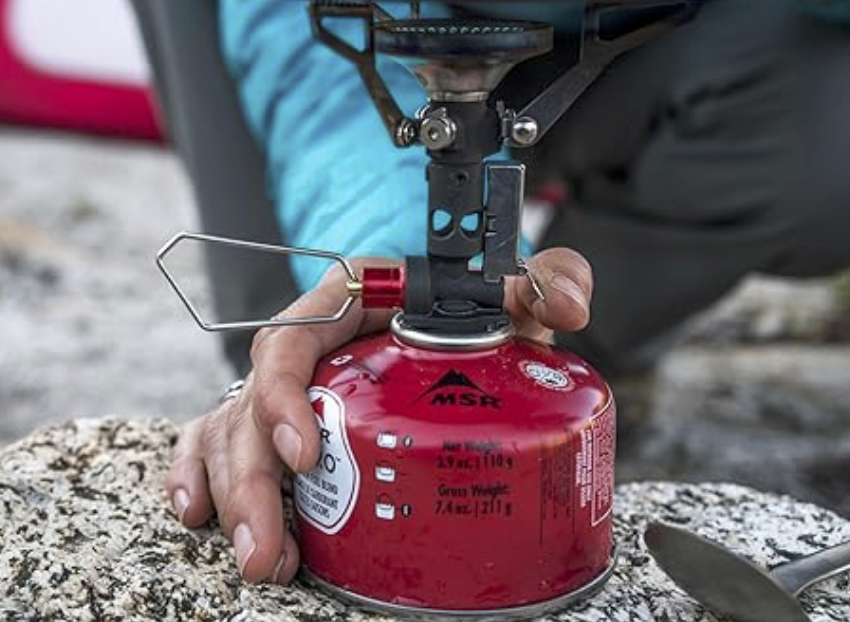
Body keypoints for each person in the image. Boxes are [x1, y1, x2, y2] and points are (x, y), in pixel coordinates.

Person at [131, 0, 850, 586]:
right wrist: (389, 246)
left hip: (659, 38)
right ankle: (300, 374)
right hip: (331, 32)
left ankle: (559, 361)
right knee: (296, 353)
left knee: (826, 133)